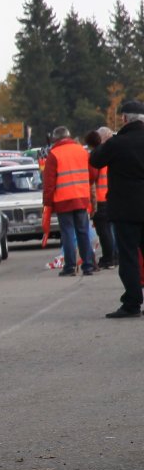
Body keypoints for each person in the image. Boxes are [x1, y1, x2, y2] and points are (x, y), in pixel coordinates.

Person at [91, 101, 144, 318]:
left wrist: (103, 142)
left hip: (126, 210)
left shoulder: (117, 143)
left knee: (129, 256)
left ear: (124, 119)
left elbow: (95, 160)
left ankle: (132, 303)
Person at [44, 126, 96, 278]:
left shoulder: (54, 154)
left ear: (56, 139)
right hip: (81, 198)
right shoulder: (82, 151)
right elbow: (93, 173)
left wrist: (48, 203)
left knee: (67, 233)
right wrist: (84, 185)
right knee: (83, 232)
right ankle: (88, 265)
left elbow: (49, 182)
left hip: (63, 200)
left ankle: (70, 266)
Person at [86, 128, 117, 269]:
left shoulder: (98, 156)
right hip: (110, 195)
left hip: (100, 197)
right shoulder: (112, 154)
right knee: (110, 230)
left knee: (103, 231)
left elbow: (92, 177)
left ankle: (108, 258)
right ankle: (114, 256)